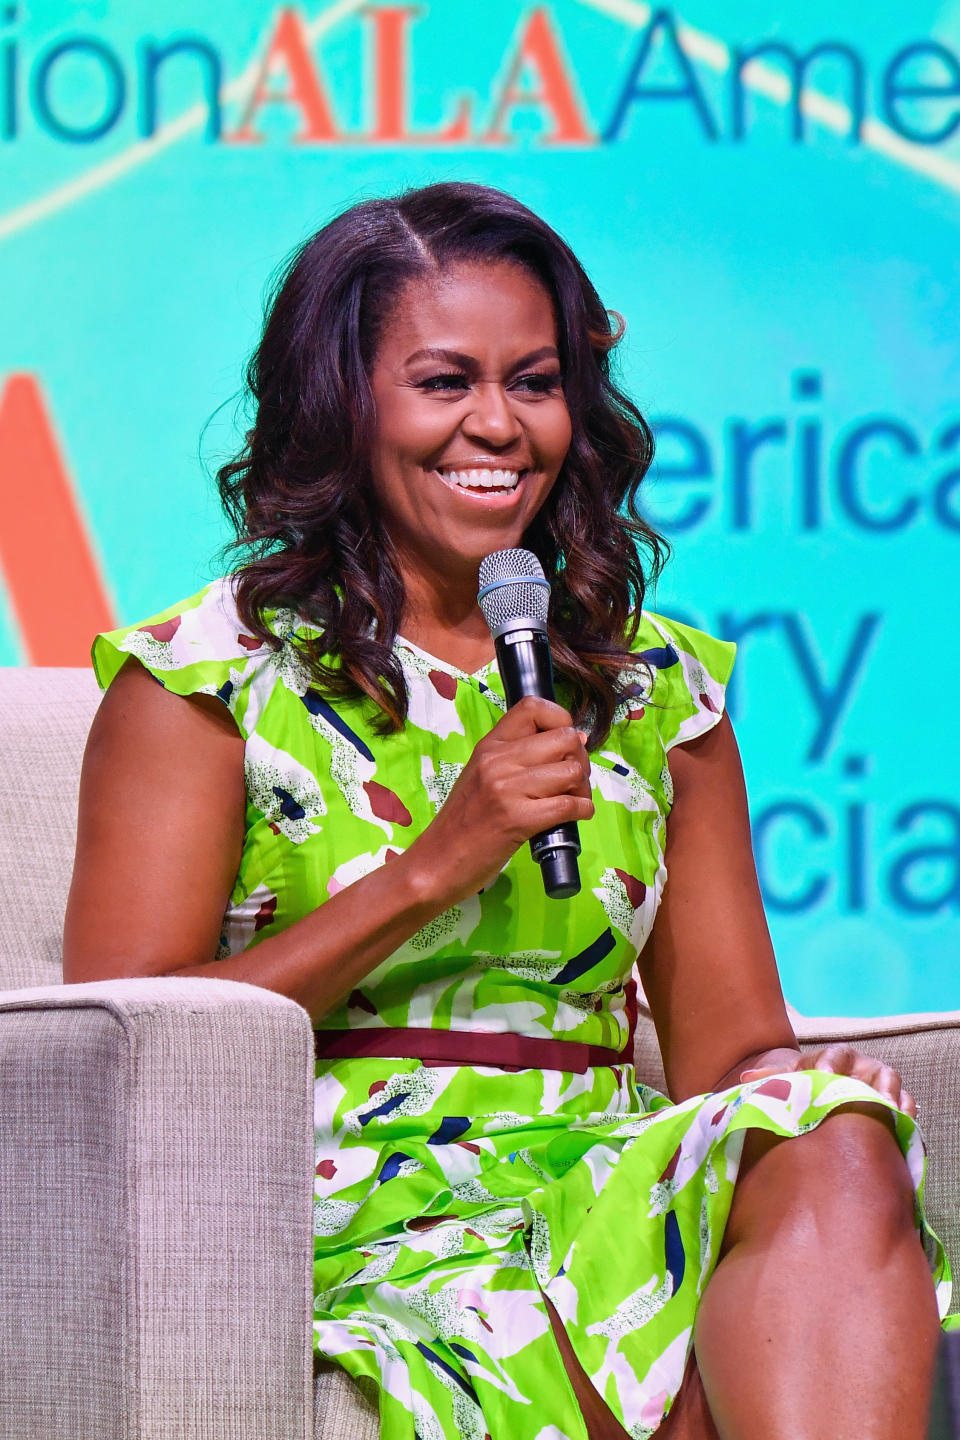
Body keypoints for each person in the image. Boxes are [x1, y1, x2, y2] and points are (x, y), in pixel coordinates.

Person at [63, 181, 947, 1440]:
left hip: (604, 1184)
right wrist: (432, 868)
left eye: (533, 381)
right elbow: (129, 1044)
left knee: (838, 1144)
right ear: (345, 405)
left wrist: (806, 1083)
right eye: (443, 382)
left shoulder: (653, 691)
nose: (498, 425)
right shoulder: (211, 685)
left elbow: (726, 1051)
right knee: (701, 1374)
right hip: (365, 1208)